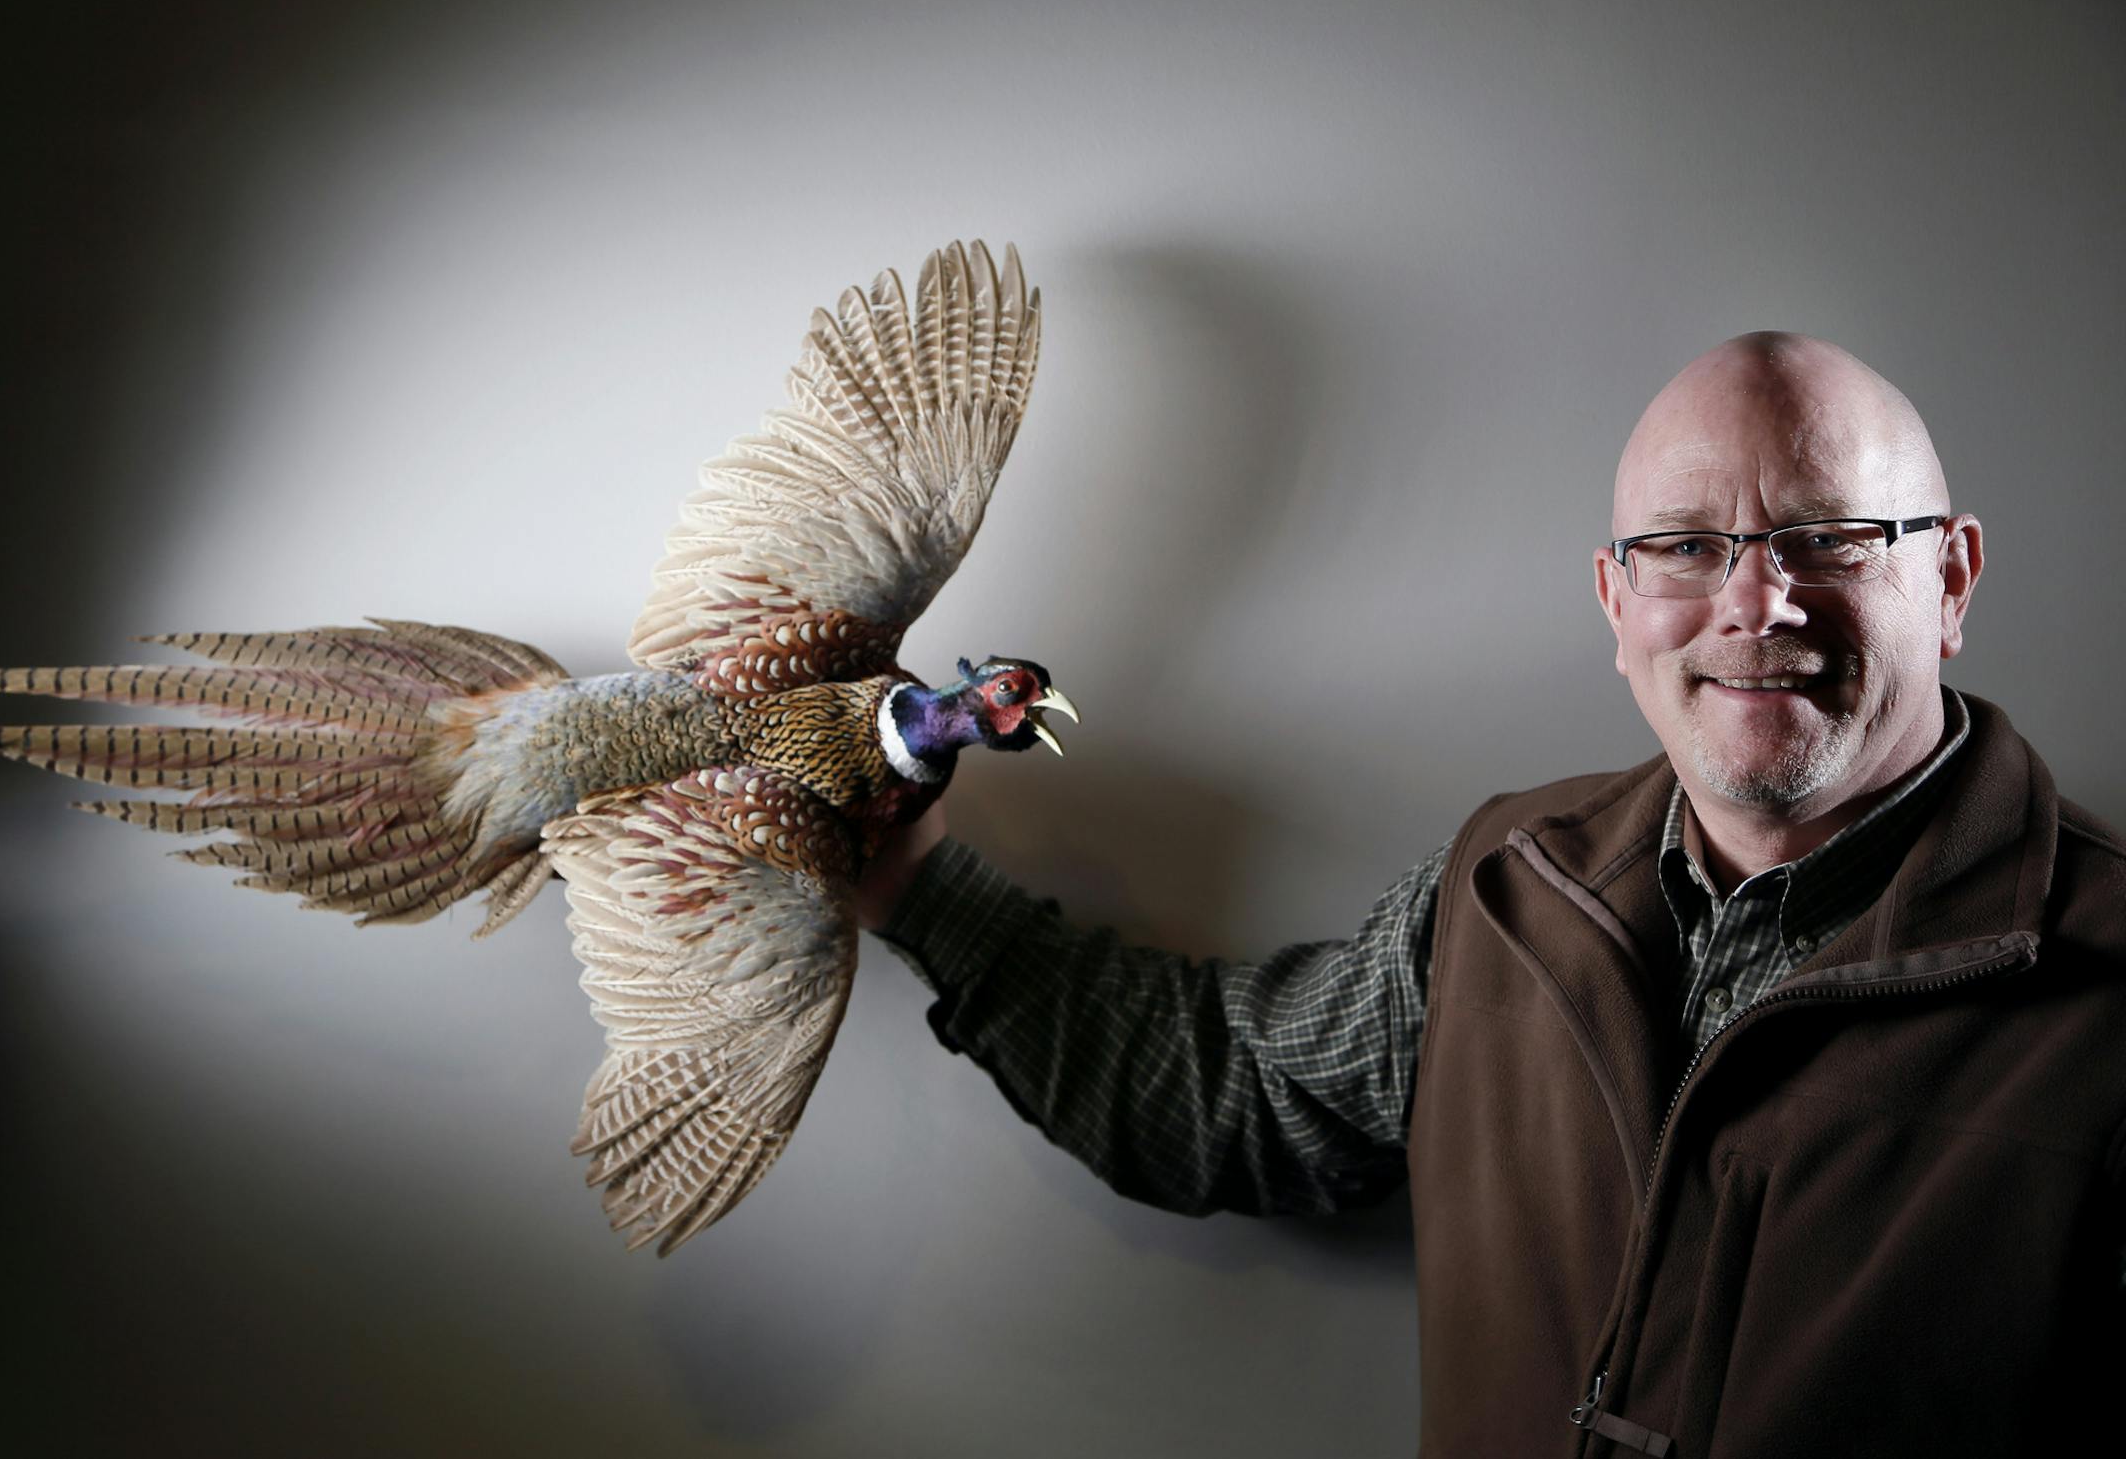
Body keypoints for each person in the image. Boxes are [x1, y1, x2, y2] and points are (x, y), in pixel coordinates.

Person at [855, 333, 2126, 1457]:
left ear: (1950, 580)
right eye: (1686, 546)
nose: (1754, 602)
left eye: (1828, 537)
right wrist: (917, 884)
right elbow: (1230, 1092)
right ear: (1616, 599)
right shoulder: (1506, 889)